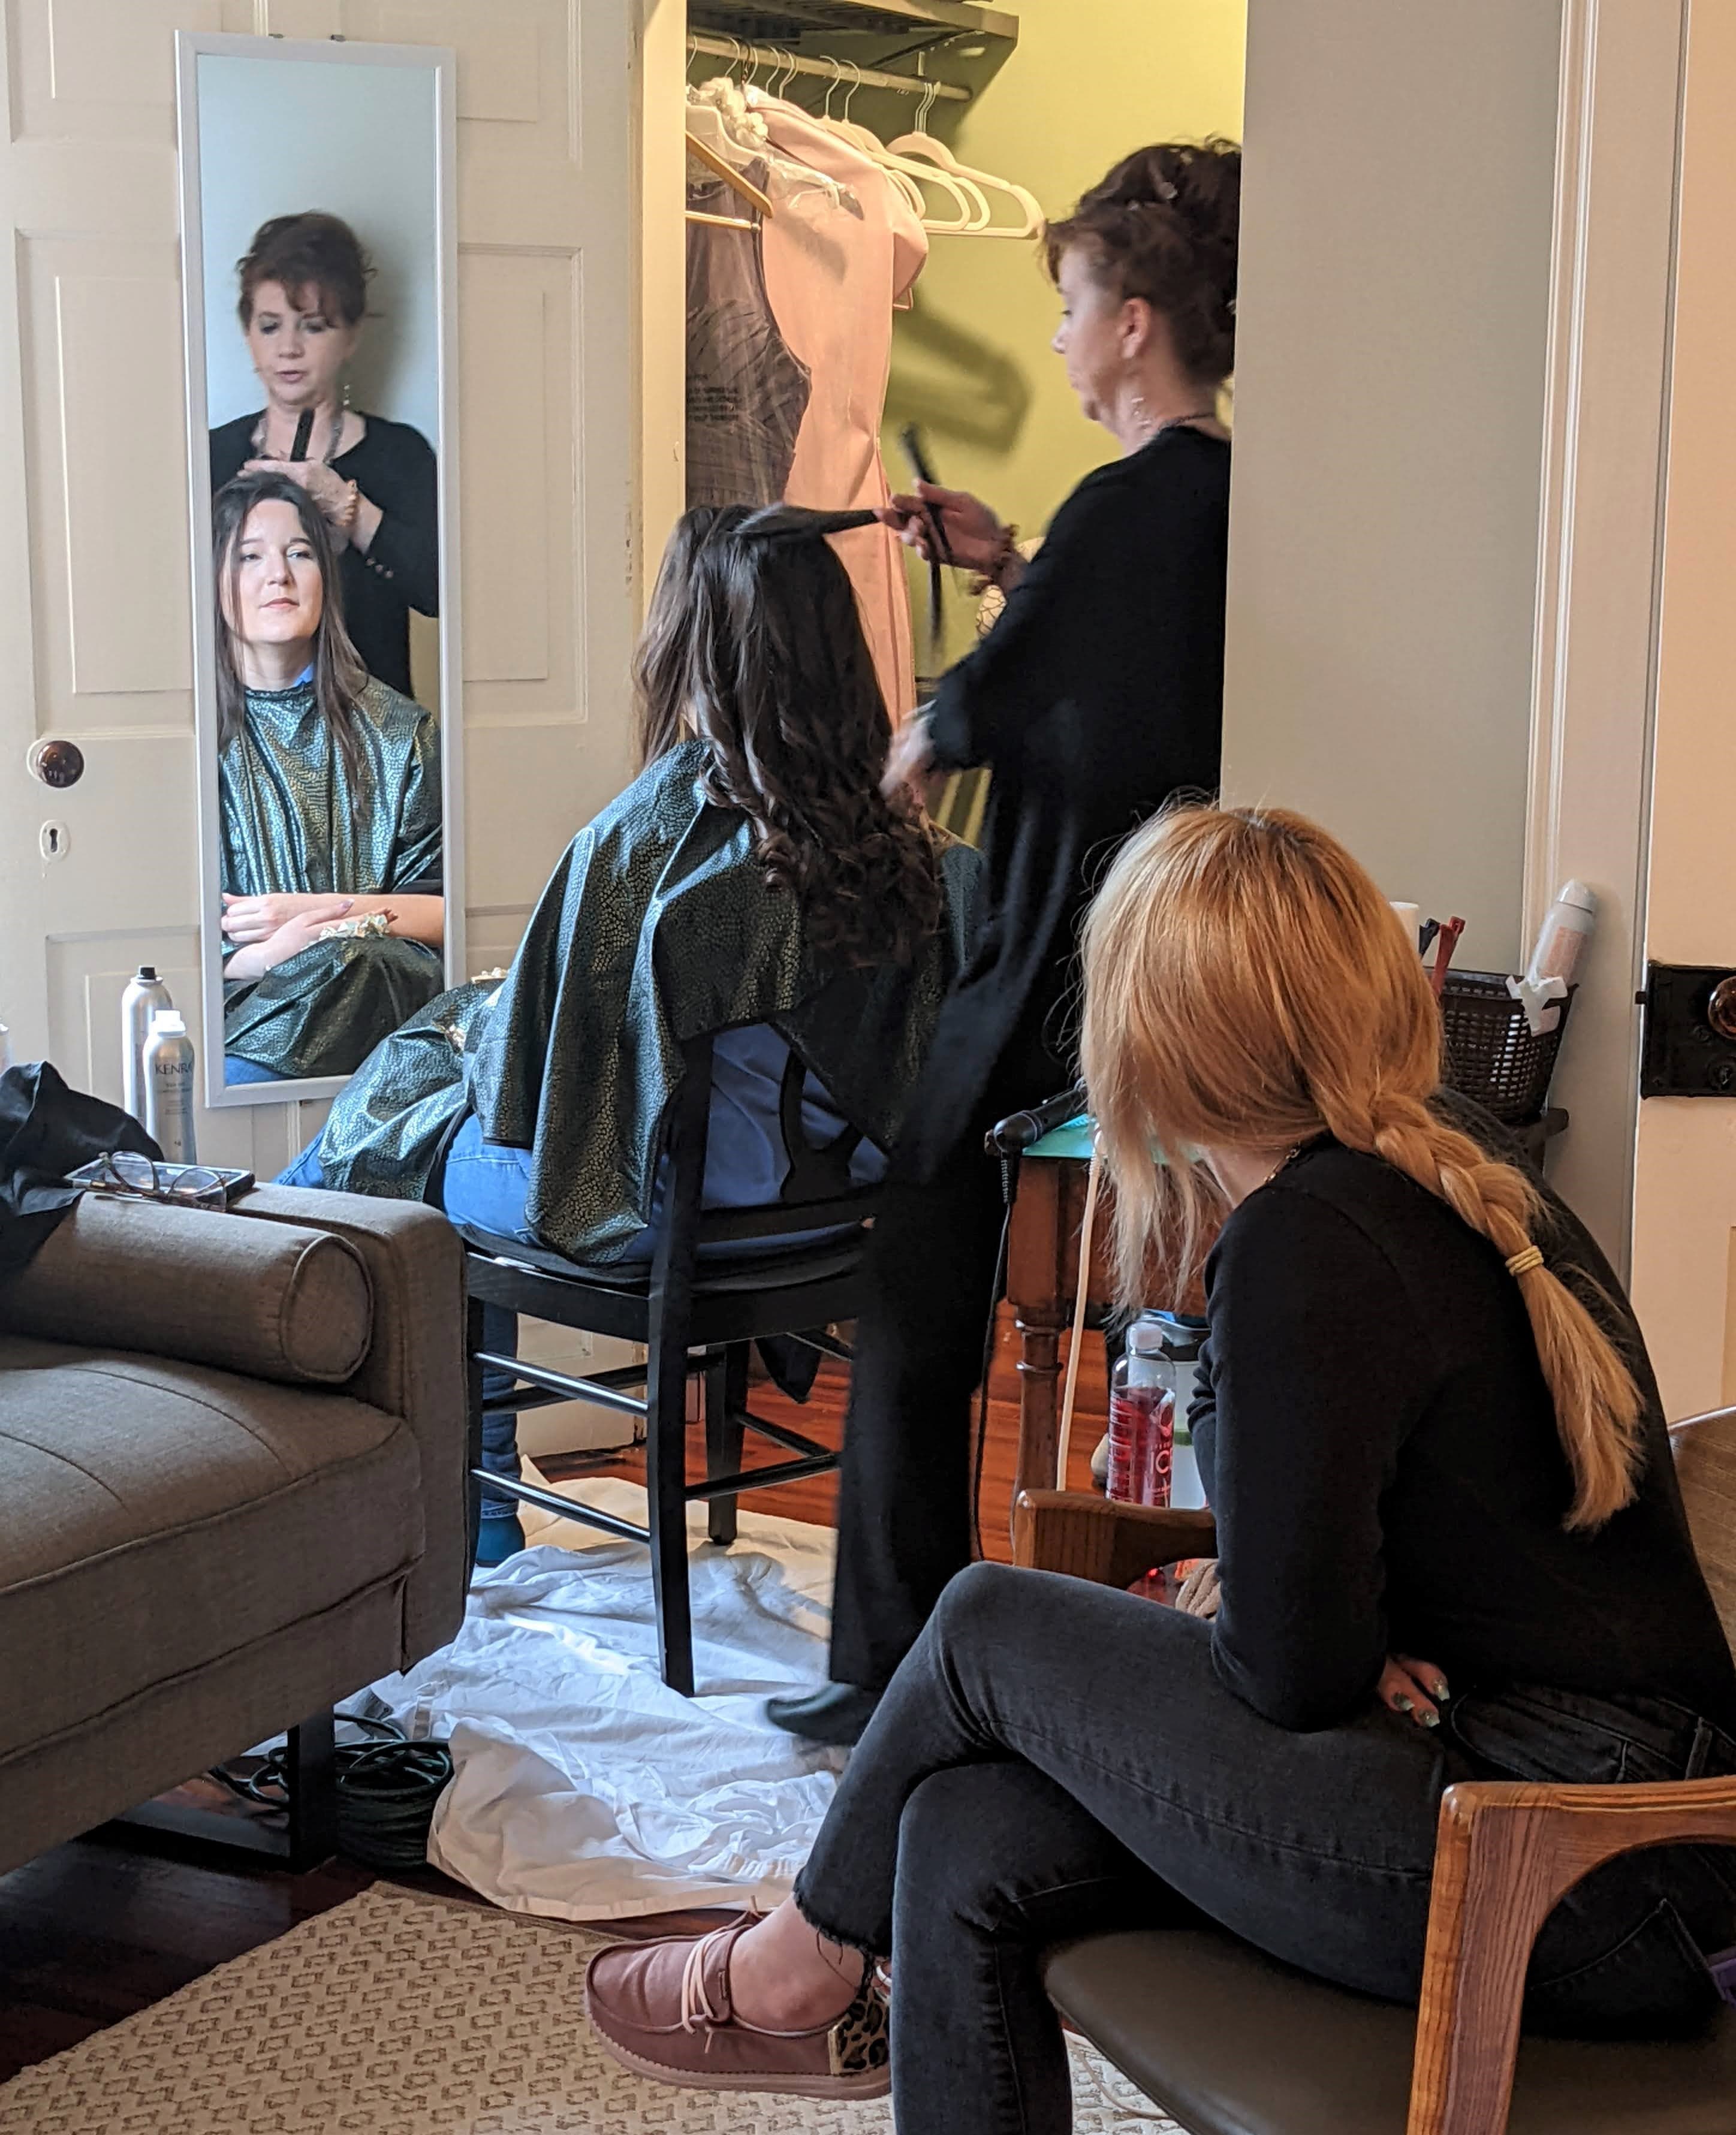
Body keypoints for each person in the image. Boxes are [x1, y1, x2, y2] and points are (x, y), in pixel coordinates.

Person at [581, 802, 1736, 2129]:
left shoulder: (1308, 1239)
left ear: (1151, 1033)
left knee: (982, 1620)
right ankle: (823, 1953)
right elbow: (1383, 1589)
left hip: (1567, 1859)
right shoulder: (1443, 1168)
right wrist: (1302, 1624)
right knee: (959, 1831)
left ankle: (797, 1963)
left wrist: (1258, 1614)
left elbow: (1288, 1668)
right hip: (1603, 1825)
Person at [768, 139, 1238, 1747]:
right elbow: (1103, 668)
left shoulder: (1131, 502)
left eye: (1070, 304)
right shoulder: (1217, 503)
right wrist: (1008, 564)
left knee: (908, 1287)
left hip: (1050, 969)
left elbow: (955, 730)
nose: (1055, 335)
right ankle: (946, 1642)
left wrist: (910, 742)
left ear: (1131, 324)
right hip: (1146, 969)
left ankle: (890, 1660)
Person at [284, 504, 978, 1566]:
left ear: (688, 643)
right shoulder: (921, 846)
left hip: (665, 1220)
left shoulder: (645, 848)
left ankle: (464, 1519)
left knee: (408, 1137)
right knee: (428, 1074)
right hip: (829, 1218)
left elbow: (541, 1096)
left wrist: (475, 1033)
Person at [216, 472, 444, 1085]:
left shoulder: (402, 733)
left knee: (360, 963)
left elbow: (444, 912)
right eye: (249, 556)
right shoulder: (183, 741)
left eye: (299, 553)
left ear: (327, 576)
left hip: (374, 989)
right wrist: (260, 958)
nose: (278, 576)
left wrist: (313, 918)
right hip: (236, 993)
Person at [209, 212, 437, 699]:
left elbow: (439, 593)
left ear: (351, 336)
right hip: (236, 734)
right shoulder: (210, 455)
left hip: (375, 740)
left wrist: (352, 513)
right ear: (247, 334)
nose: (288, 348)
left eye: (313, 327)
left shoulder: (400, 455)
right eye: (270, 327)